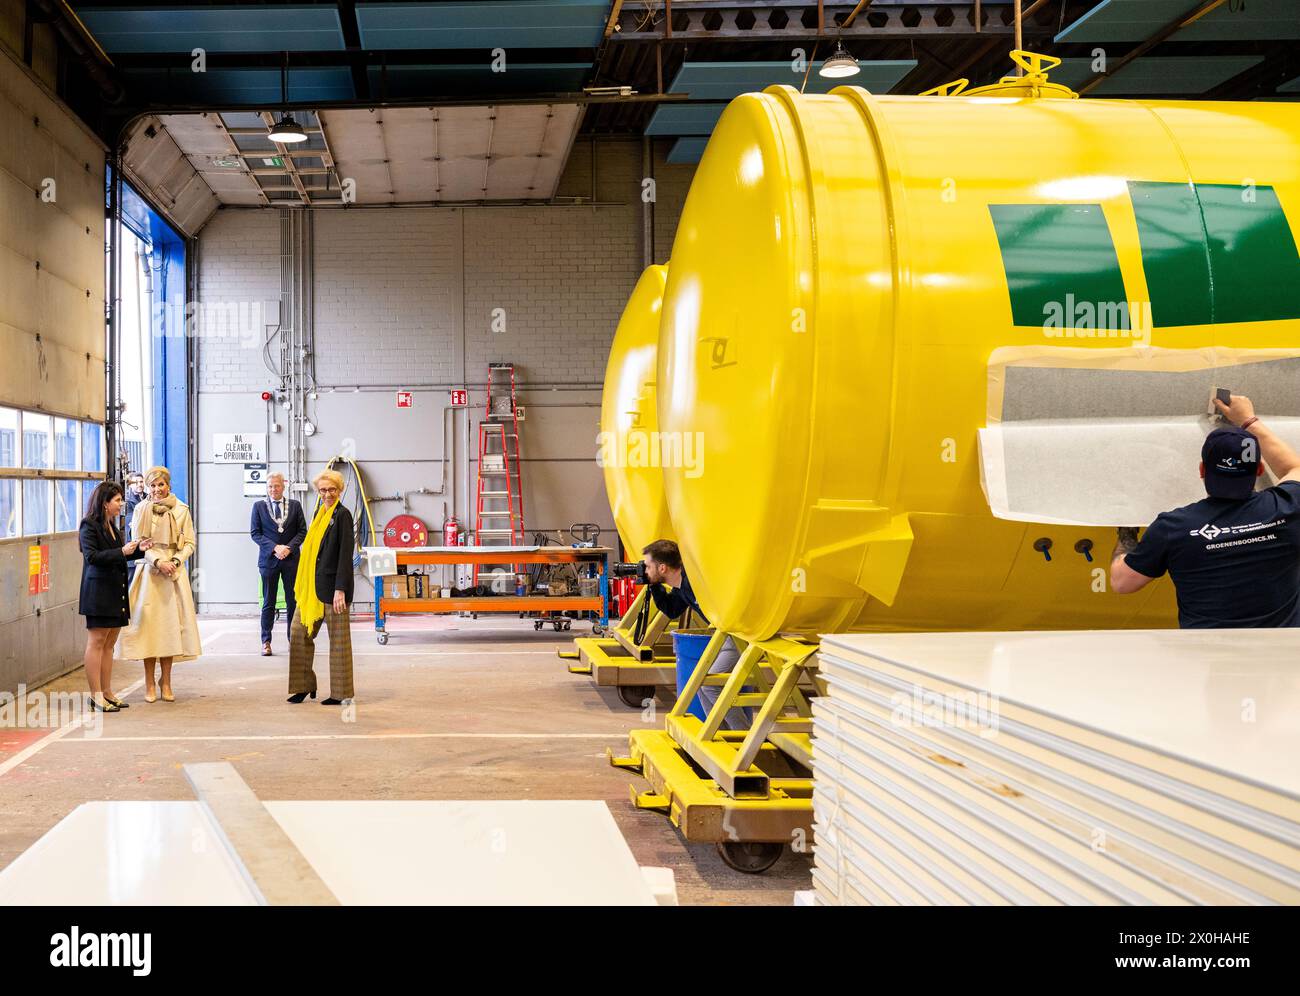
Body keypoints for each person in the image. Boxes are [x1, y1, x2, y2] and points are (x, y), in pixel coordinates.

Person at [1110, 394, 1300, 627]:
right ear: (1260, 470)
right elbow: (1294, 467)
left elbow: (1122, 583)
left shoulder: (1173, 528)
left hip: (1209, 660)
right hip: (1283, 659)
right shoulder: (1288, 507)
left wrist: (1126, 538)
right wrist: (1249, 421)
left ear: (1202, 470)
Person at [641, 539, 751, 731]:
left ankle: (742, 734)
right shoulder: (682, 585)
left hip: (740, 632)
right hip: (726, 633)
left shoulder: (696, 580)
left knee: (709, 684)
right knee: (700, 684)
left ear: (663, 568)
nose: (645, 571)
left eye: (648, 567)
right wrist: (653, 586)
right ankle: (721, 734)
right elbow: (672, 609)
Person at [121, 466, 202, 701]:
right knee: (149, 630)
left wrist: (175, 561)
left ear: (169, 485)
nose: (157, 490)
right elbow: (137, 543)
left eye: (161, 485)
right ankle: (149, 684)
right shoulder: (139, 509)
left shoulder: (181, 510)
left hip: (174, 574)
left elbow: (189, 543)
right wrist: (157, 561)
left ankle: (166, 682)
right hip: (149, 574)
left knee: (169, 630)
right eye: (153, 485)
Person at [77, 481, 153, 712]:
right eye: (117, 500)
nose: (121, 504)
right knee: (97, 642)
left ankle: (107, 691)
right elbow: (92, 557)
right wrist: (122, 551)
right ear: (105, 502)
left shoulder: (112, 525)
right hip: (98, 593)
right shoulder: (88, 525)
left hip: (115, 591)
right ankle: (95, 694)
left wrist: (140, 549)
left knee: (109, 644)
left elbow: (120, 556)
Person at [287, 469, 356, 706]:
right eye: (323, 490)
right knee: (298, 634)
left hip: (333, 590)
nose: (327, 494)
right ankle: (303, 686)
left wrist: (341, 589)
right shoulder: (319, 515)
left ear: (340, 490)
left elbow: (345, 556)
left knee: (339, 643)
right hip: (310, 591)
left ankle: (340, 692)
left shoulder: (343, 515)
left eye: (332, 490)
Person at [250, 472, 307, 656]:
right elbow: (255, 534)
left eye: (276, 486)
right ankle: (266, 641)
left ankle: (293, 640)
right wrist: (275, 548)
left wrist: (288, 548)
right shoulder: (258, 507)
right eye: (270, 487)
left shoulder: (296, 506)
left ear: (284, 486)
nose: (273, 489)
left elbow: (302, 531)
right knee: (269, 602)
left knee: (293, 601)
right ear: (267, 488)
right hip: (268, 561)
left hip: (291, 560)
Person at [123, 473, 147, 583]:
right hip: (133, 547)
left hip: (146, 548)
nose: (139, 484)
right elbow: (132, 523)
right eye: (135, 482)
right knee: (131, 583)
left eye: (141, 481)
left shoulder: (148, 498)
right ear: (129, 485)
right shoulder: (127, 503)